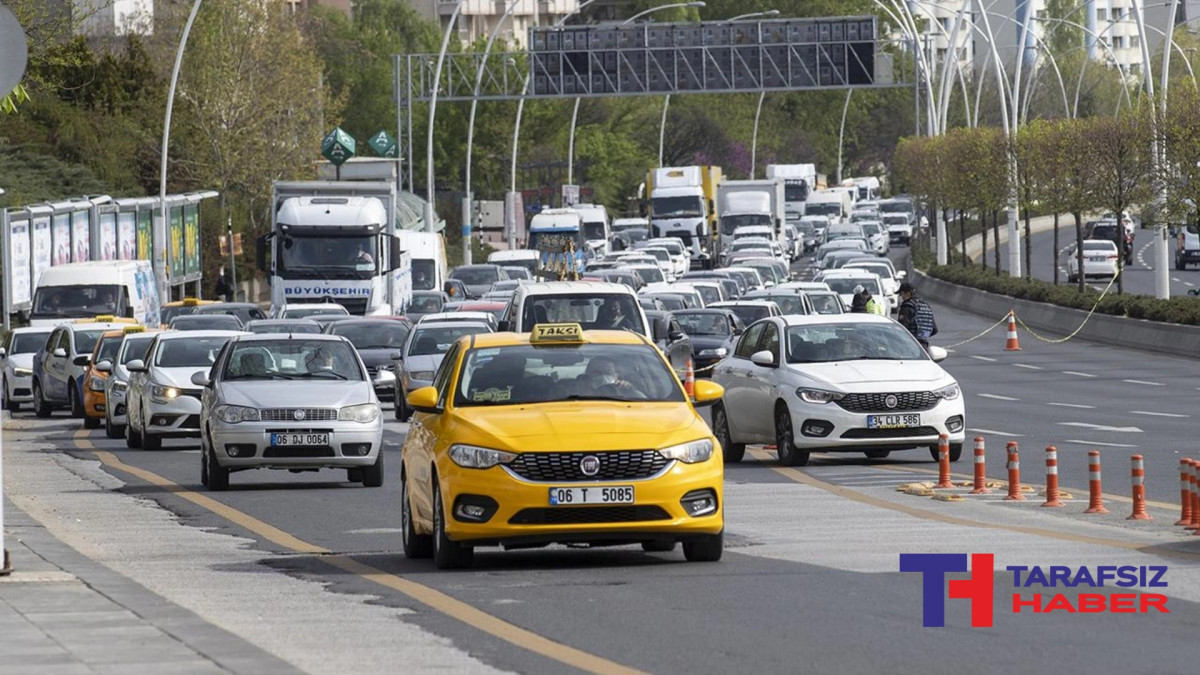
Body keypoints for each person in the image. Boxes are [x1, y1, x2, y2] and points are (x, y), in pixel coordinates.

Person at [897, 282, 938, 350]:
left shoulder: (907, 307)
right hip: (924, 348)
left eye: (901, 294)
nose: (901, 297)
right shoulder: (925, 305)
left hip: (909, 347)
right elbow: (934, 329)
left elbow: (903, 329)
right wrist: (922, 336)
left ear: (907, 294)